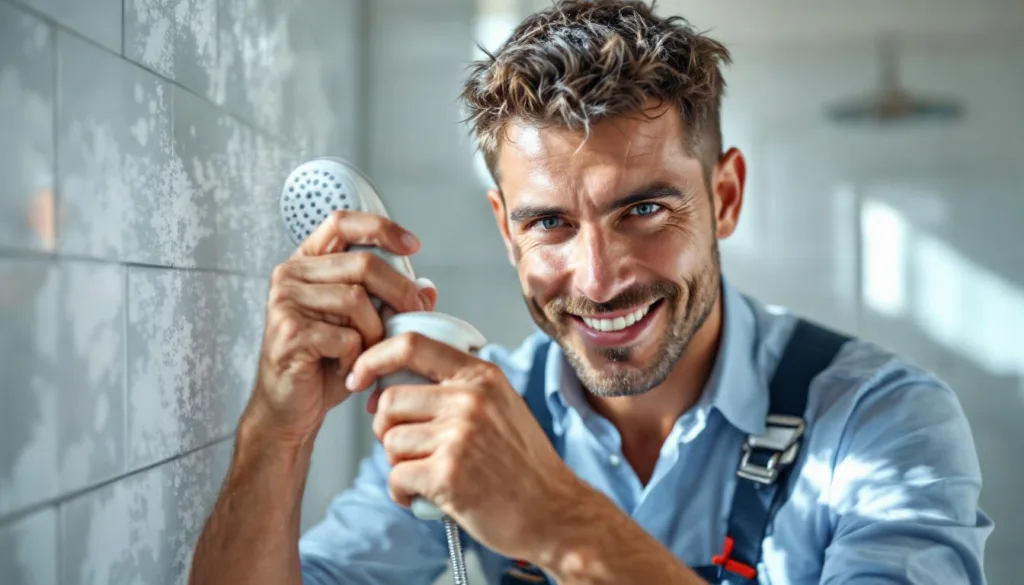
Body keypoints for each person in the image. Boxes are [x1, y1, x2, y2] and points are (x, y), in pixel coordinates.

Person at [188, 1, 992, 583]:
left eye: (643, 209)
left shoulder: (883, 420)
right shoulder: (476, 415)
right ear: (507, 230)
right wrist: (275, 434)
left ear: (727, 196)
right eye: (549, 223)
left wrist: (558, 519)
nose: (599, 278)